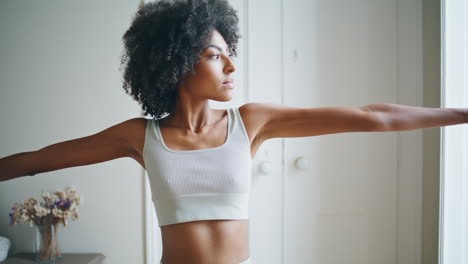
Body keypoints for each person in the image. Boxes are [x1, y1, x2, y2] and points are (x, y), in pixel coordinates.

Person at [0, 0, 466, 263]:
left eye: (228, 52)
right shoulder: (139, 136)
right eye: (213, 54)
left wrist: (463, 114)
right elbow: (37, 160)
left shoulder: (253, 121)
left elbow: (372, 116)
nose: (230, 65)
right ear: (176, 62)